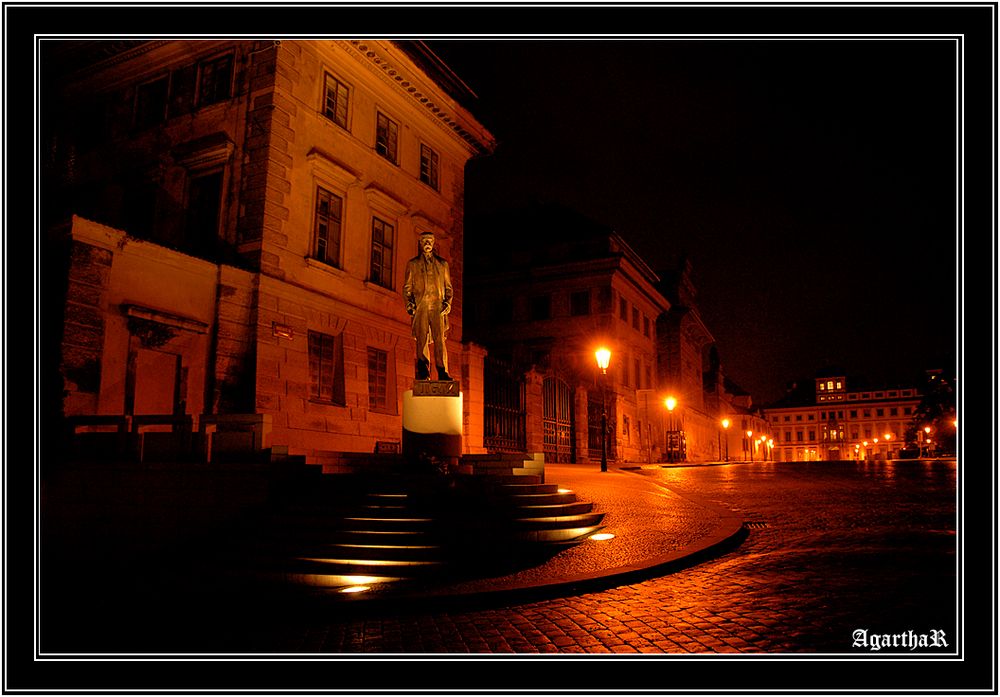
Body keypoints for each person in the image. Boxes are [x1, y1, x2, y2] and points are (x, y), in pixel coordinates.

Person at [403, 231, 453, 381]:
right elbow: (407, 287)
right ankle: (424, 371)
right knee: (422, 339)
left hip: (438, 307)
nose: (427, 243)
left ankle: (442, 371)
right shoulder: (413, 264)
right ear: (420, 243)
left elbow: (448, 287)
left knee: (439, 340)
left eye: (429, 241)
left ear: (433, 243)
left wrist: (448, 303)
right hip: (421, 306)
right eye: (424, 241)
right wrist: (409, 304)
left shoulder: (442, 265)